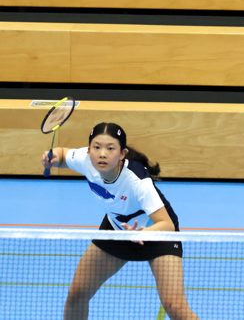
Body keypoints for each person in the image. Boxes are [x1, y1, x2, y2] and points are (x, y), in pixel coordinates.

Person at [42, 121, 198, 320]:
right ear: (89, 150)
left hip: (156, 232)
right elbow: (63, 155)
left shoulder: (137, 181)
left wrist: (143, 234)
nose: (102, 154)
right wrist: (54, 156)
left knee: (174, 306)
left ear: (122, 153)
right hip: (117, 228)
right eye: (96, 147)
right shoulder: (85, 159)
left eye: (110, 148)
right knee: (77, 295)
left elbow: (166, 223)